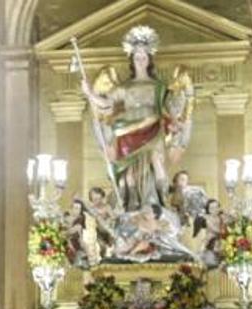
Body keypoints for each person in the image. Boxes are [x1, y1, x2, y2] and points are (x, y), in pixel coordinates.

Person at [80, 25, 193, 212]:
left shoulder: (159, 86)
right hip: (128, 135)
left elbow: (170, 109)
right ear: (132, 60)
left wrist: (179, 116)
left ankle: (161, 202)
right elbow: (106, 104)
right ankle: (131, 205)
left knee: (157, 163)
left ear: (149, 60)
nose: (141, 60)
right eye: (137, 57)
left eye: (144, 57)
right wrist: (90, 93)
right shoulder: (124, 87)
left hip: (153, 131)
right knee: (129, 176)